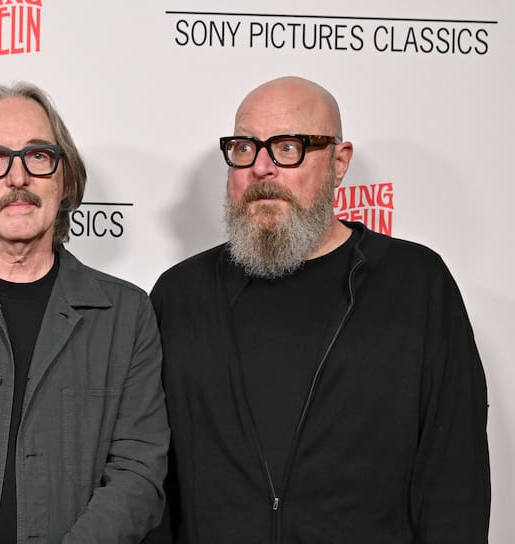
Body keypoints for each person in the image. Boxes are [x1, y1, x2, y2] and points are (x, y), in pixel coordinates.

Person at [148, 76, 490, 542]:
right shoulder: (180, 294)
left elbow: (455, 479)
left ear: (339, 161)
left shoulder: (416, 284)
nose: (262, 168)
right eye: (245, 148)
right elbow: (152, 480)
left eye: (287, 148)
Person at [0, 82, 169, 544]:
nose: (18, 177)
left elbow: (138, 472)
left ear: (64, 177)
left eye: (38, 156)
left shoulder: (126, 315)